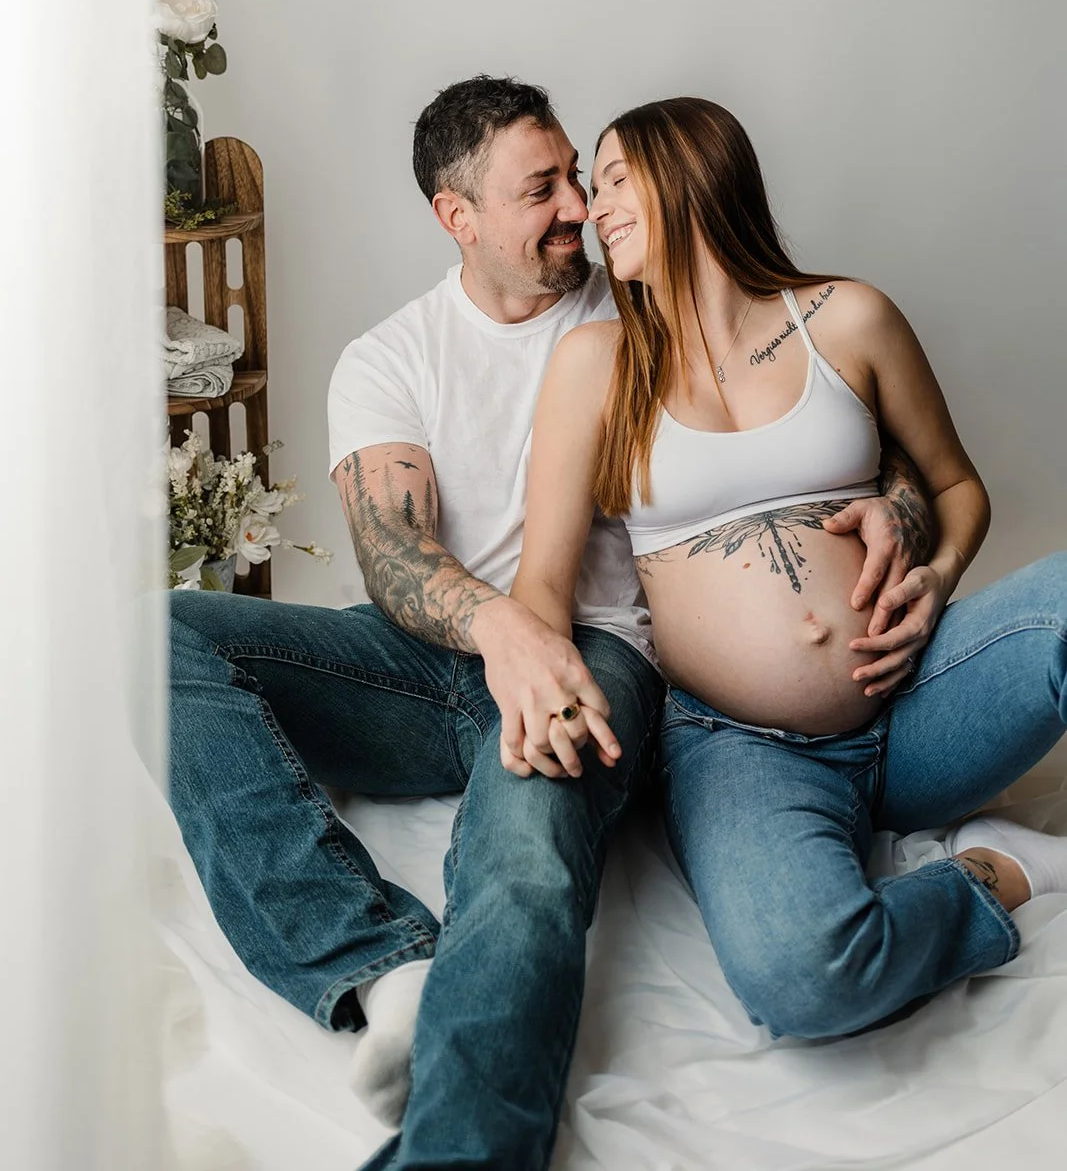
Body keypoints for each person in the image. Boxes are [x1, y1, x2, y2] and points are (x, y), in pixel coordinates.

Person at [167, 77, 930, 1171]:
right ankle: (384, 971)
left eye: (577, 174)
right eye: (542, 188)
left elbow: (841, 422)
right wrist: (507, 636)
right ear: (456, 214)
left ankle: (461, 1153)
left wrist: (904, 514)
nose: (578, 204)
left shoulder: (636, 309)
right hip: (421, 658)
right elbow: (392, 553)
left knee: (519, 865)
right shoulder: (391, 357)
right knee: (158, 636)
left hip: (599, 652)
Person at [512, 94, 1067, 1042]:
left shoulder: (847, 318)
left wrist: (932, 577)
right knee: (805, 979)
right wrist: (530, 677)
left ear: (691, 168)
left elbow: (957, 487)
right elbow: (540, 583)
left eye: (611, 180)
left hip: (924, 694)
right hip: (742, 748)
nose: (590, 209)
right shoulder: (596, 363)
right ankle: (998, 870)